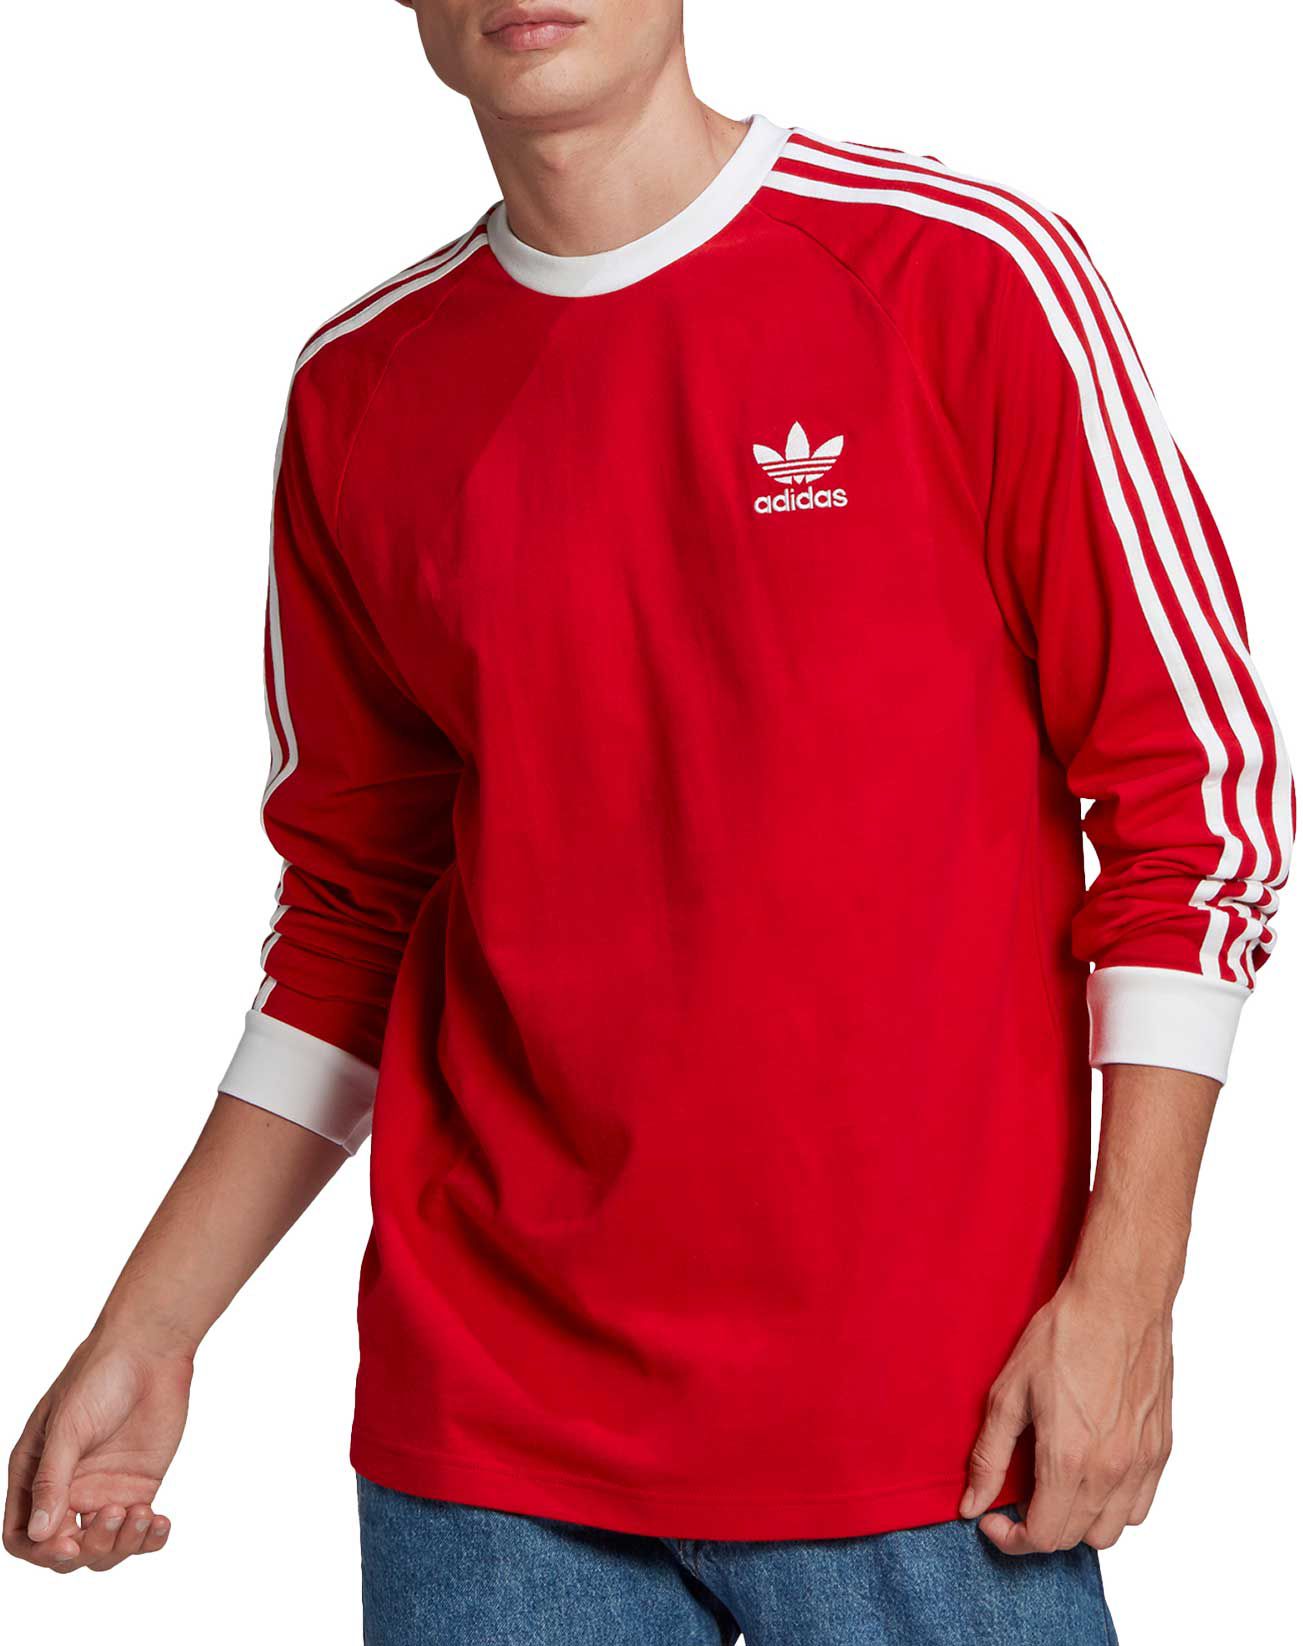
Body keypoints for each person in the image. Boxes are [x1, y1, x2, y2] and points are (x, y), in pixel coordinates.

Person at [5, 3, 1292, 1641]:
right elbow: (353, 909)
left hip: (937, 1421)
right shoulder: (363, 390)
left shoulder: (960, 276)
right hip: (490, 1444)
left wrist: (1129, 1290)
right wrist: (154, 1323)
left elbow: (1199, 800)